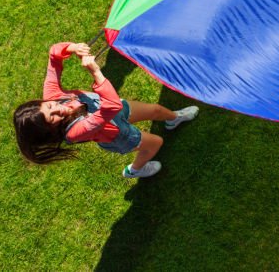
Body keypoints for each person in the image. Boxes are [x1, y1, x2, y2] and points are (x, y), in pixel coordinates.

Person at [13, 42, 199, 178]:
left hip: (116, 113)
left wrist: (72, 48)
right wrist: (95, 71)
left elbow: (54, 54)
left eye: (50, 106)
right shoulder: (75, 132)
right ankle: (136, 170)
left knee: (156, 110)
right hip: (118, 135)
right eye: (51, 118)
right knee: (156, 142)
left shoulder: (52, 95)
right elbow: (111, 105)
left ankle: (173, 119)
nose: (57, 109)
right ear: (49, 130)